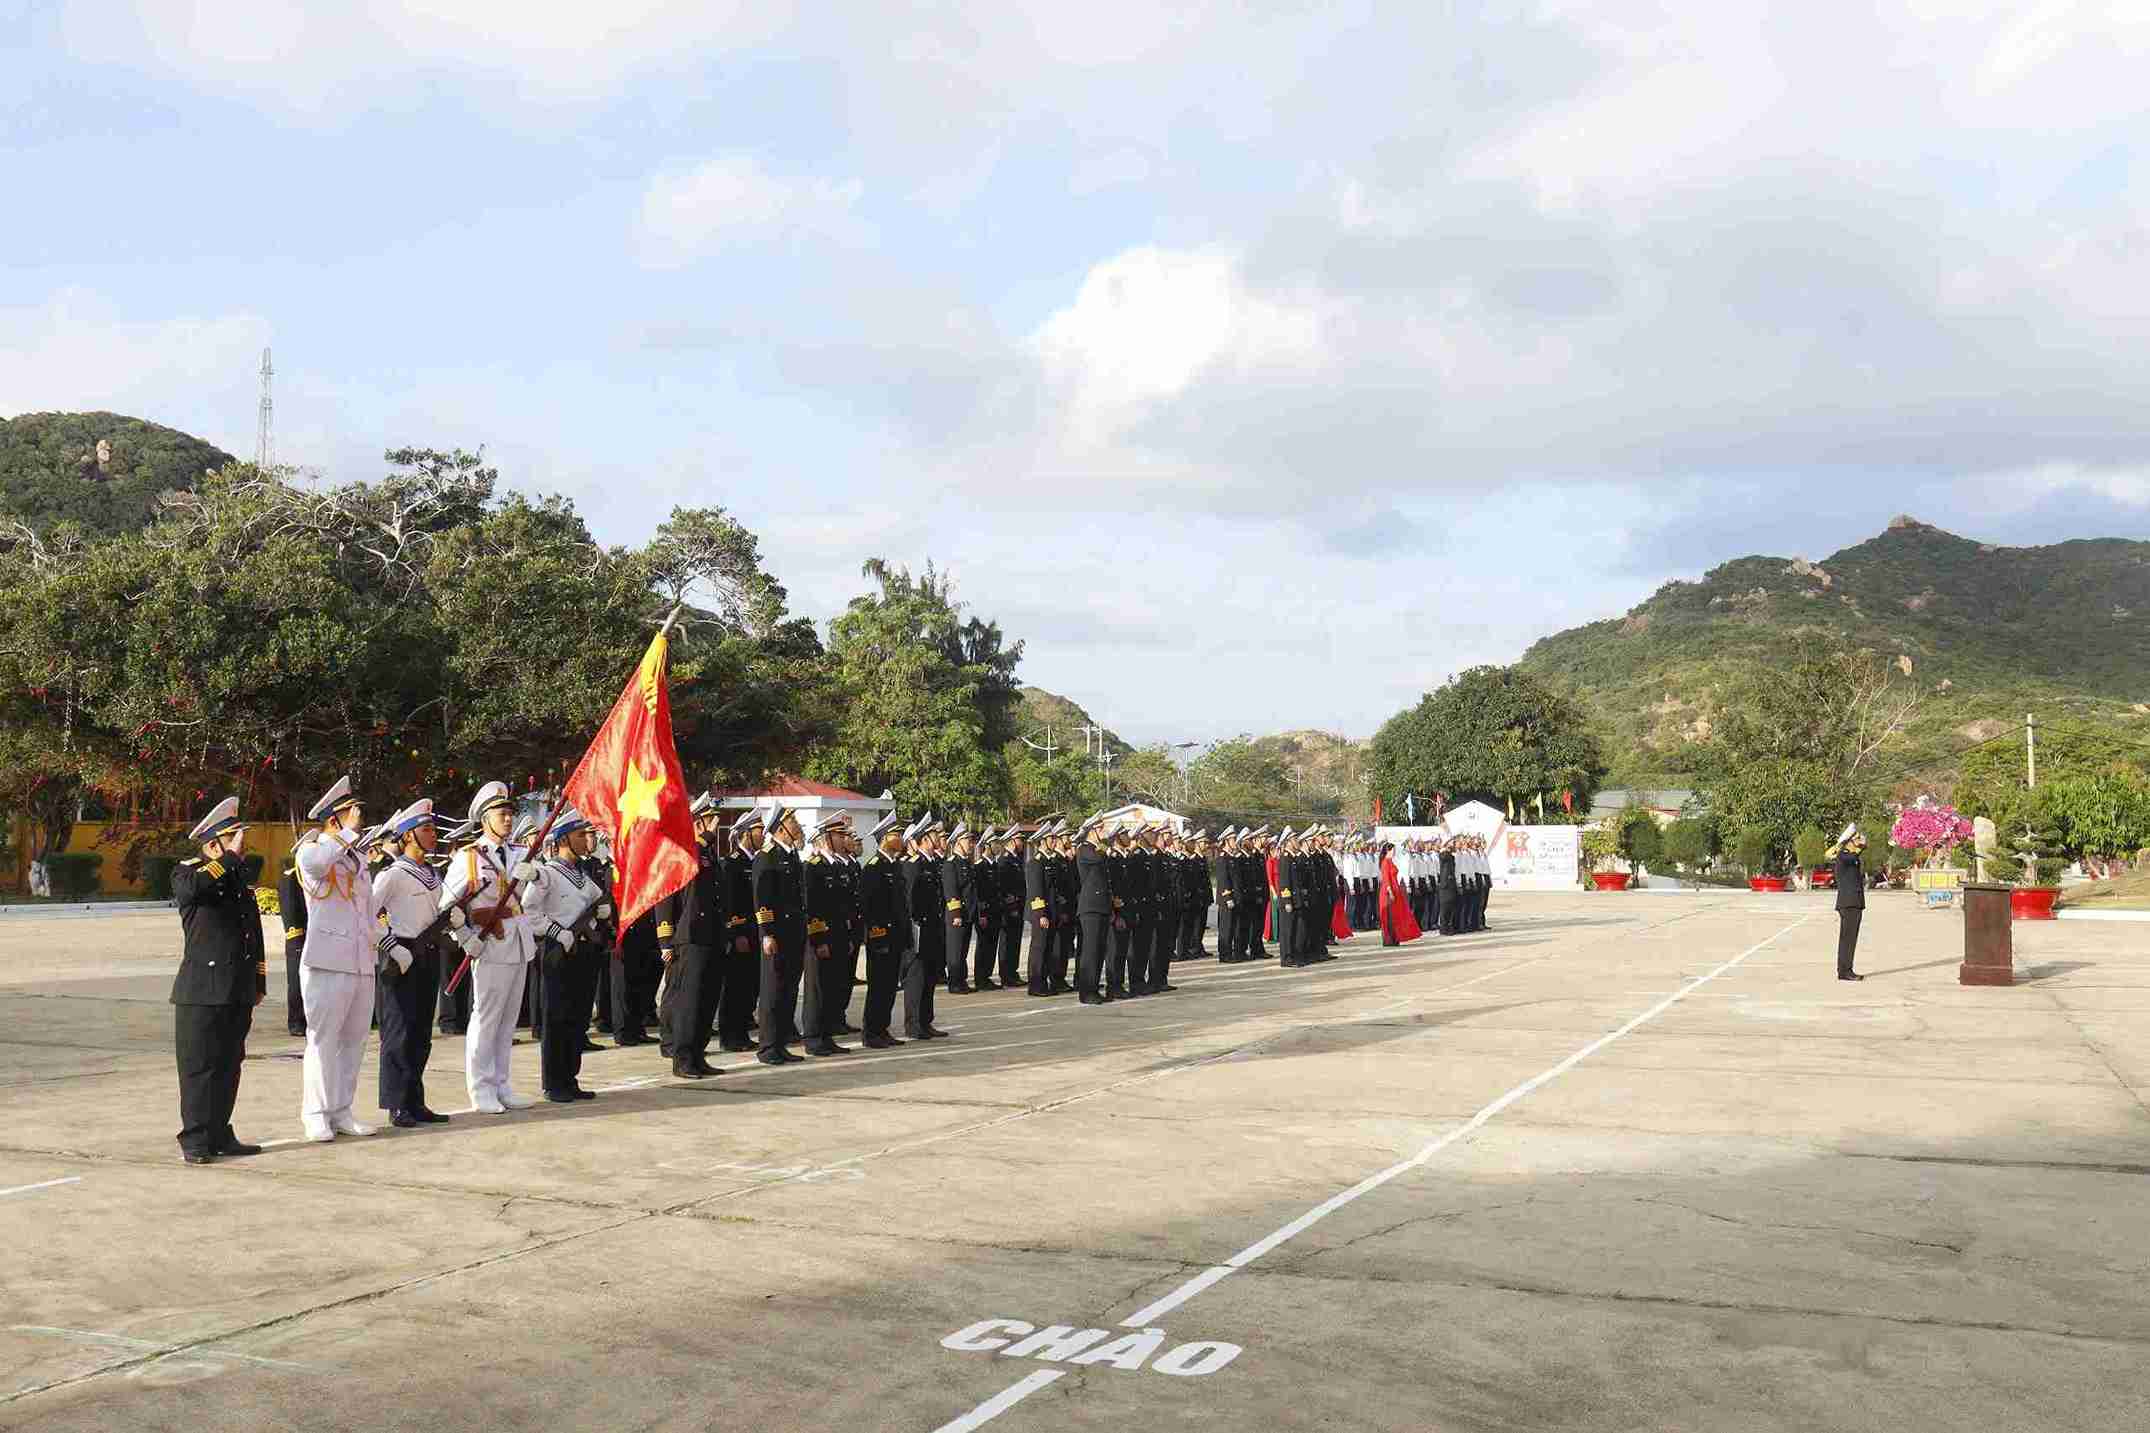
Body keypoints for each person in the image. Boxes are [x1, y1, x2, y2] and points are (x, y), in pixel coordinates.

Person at [170, 797, 266, 1164]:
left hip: (236, 988)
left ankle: (220, 1132)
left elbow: (252, 932)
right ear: (213, 844)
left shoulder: (238, 880)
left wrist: (258, 982)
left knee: (229, 1064)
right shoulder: (187, 872)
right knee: (200, 1068)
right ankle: (194, 1138)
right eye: (233, 838)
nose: (241, 846)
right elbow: (192, 891)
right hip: (201, 991)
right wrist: (226, 861)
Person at [439, 780, 540, 1114]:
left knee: (508, 1020)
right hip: (490, 943)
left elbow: (531, 897)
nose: (508, 819)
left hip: (519, 941)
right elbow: (448, 906)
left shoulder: (519, 854)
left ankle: (501, 1083)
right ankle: (481, 1088)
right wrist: (466, 939)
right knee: (486, 1018)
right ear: (484, 820)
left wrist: (535, 876)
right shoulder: (469, 857)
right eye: (501, 814)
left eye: (510, 813)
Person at [295, 775, 379, 1141]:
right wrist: (344, 834)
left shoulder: (357, 857)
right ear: (335, 818)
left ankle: (342, 1109)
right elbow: (314, 866)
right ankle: (315, 1112)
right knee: (323, 1039)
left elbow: (367, 908)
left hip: (361, 959)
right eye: (351, 813)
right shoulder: (313, 850)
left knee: (354, 1039)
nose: (359, 819)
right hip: (328, 960)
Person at [371, 799, 453, 1128]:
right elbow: (367, 914)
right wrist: (390, 944)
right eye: (426, 830)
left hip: (428, 953)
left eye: (433, 829)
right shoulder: (392, 875)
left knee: (421, 1032)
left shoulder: (433, 873)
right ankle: (396, 1104)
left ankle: (415, 1100)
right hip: (401, 955)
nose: (433, 835)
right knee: (398, 1032)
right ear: (407, 836)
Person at [527, 806, 609, 1099]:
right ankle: (554, 1082)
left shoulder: (582, 875)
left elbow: (596, 899)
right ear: (563, 840)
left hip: (583, 951)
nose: (586, 839)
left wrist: (601, 911)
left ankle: (570, 1078)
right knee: (557, 1016)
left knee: (578, 1016)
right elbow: (529, 910)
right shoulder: (546, 873)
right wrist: (557, 933)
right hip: (557, 951)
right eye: (580, 835)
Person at [656, 792, 727, 1079]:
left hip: (711, 935)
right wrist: (665, 939)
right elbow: (665, 900)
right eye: (709, 819)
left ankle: (698, 1055)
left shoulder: (707, 853)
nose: (715, 825)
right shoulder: (681, 853)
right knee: (689, 1001)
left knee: (707, 999)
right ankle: (683, 1059)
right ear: (696, 823)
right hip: (690, 937)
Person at [753, 803, 808, 1065]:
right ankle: (768, 1047)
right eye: (792, 821)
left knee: (788, 989)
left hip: (794, 933)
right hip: (776, 934)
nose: (797, 825)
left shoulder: (792, 855)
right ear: (780, 828)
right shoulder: (767, 856)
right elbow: (762, 899)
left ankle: (782, 1043)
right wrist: (767, 933)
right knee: (773, 991)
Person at [799, 812, 854, 1057]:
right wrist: (819, 939)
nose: (844, 839)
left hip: (839, 937)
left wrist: (849, 936)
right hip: (821, 939)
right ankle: (813, 1038)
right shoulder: (813, 868)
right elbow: (813, 908)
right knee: (817, 989)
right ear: (826, 838)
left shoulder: (835, 866)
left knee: (832, 987)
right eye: (839, 835)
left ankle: (826, 1034)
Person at [858, 813, 911, 1046]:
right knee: (878, 986)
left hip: (896, 935)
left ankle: (882, 1028)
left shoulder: (895, 866)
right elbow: (868, 906)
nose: (900, 839)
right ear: (883, 839)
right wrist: (876, 935)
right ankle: (871, 1032)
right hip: (881, 936)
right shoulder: (873, 867)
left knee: (890, 986)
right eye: (895, 835)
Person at [1074, 816, 1115, 1004]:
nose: (1104, 832)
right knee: (1090, 951)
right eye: (1101, 828)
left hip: (1102, 906)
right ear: (1092, 831)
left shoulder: (1096, 850)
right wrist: (1106, 847)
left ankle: (1094, 989)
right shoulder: (1084, 849)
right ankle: (1086, 992)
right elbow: (1099, 857)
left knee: (1099, 950)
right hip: (1090, 907)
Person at [1832, 824, 1867, 981]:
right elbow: (1852, 857)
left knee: (1850, 939)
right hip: (1849, 903)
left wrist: (1859, 848)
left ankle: (1846, 969)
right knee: (1847, 939)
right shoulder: (1843, 855)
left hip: (1853, 903)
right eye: (1857, 838)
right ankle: (1844, 971)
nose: (1860, 841)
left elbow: (1855, 859)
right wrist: (1861, 847)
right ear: (1849, 841)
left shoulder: (1850, 856)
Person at [1378, 841, 1422, 947]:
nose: (1394, 852)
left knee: (1395, 915)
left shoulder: (1390, 861)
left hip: (1395, 888)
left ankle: (1395, 937)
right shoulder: (1385, 862)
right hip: (1388, 891)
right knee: (1389, 916)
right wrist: (1390, 891)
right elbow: (1386, 878)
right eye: (1393, 850)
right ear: (1388, 850)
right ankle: (1389, 939)